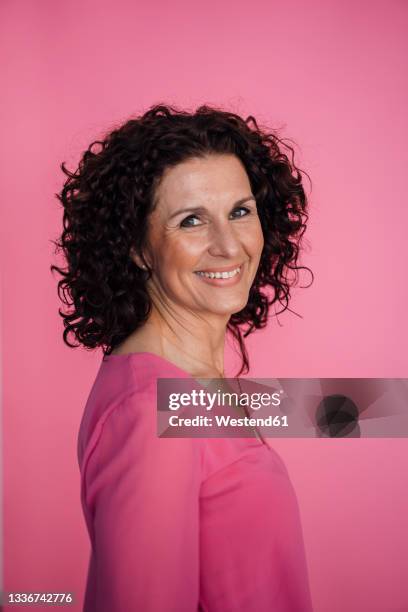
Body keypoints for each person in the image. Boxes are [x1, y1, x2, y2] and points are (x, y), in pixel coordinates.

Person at [51, 103, 314, 611]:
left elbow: (337, 410)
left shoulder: (187, 388)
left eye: (240, 211)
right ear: (138, 248)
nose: (228, 245)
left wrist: (388, 407)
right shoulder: (152, 408)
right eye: (191, 221)